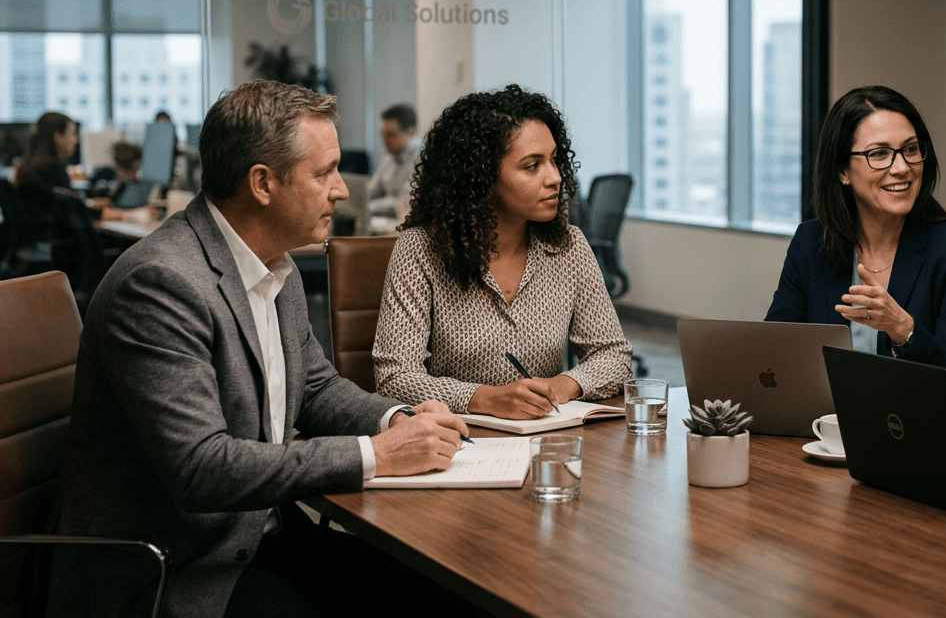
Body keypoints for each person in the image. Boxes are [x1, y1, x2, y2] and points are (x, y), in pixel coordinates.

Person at [48, 80, 473, 616]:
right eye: (324, 173)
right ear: (262, 183)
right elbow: (202, 467)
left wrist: (399, 419)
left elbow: (315, 389)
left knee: (438, 588)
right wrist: (379, 454)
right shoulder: (161, 283)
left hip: (258, 536)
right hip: (177, 567)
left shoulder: (274, 265)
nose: (341, 190)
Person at [373, 84, 632, 419]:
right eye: (532, 166)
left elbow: (613, 355)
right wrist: (486, 399)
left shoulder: (568, 246)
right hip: (458, 441)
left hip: (546, 439)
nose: (555, 178)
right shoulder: (420, 250)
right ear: (481, 178)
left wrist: (561, 386)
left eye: (554, 160)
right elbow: (395, 378)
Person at [764, 85, 946, 420]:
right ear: (842, 170)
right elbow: (773, 353)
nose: (901, 168)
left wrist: (902, 328)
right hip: (828, 432)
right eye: (879, 154)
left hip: (928, 435)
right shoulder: (811, 241)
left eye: (910, 150)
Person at [367, 102, 420, 215]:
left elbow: (405, 202)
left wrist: (370, 206)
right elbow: (370, 192)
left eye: (390, 135)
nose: (384, 140)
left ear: (409, 133)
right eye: (383, 134)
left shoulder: (421, 160)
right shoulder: (388, 160)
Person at [13, 111, 77, 192]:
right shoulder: (54, 170)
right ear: (58, 136)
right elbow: (68, 202)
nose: (75, 140)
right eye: (73, 133)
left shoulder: (25, 168)